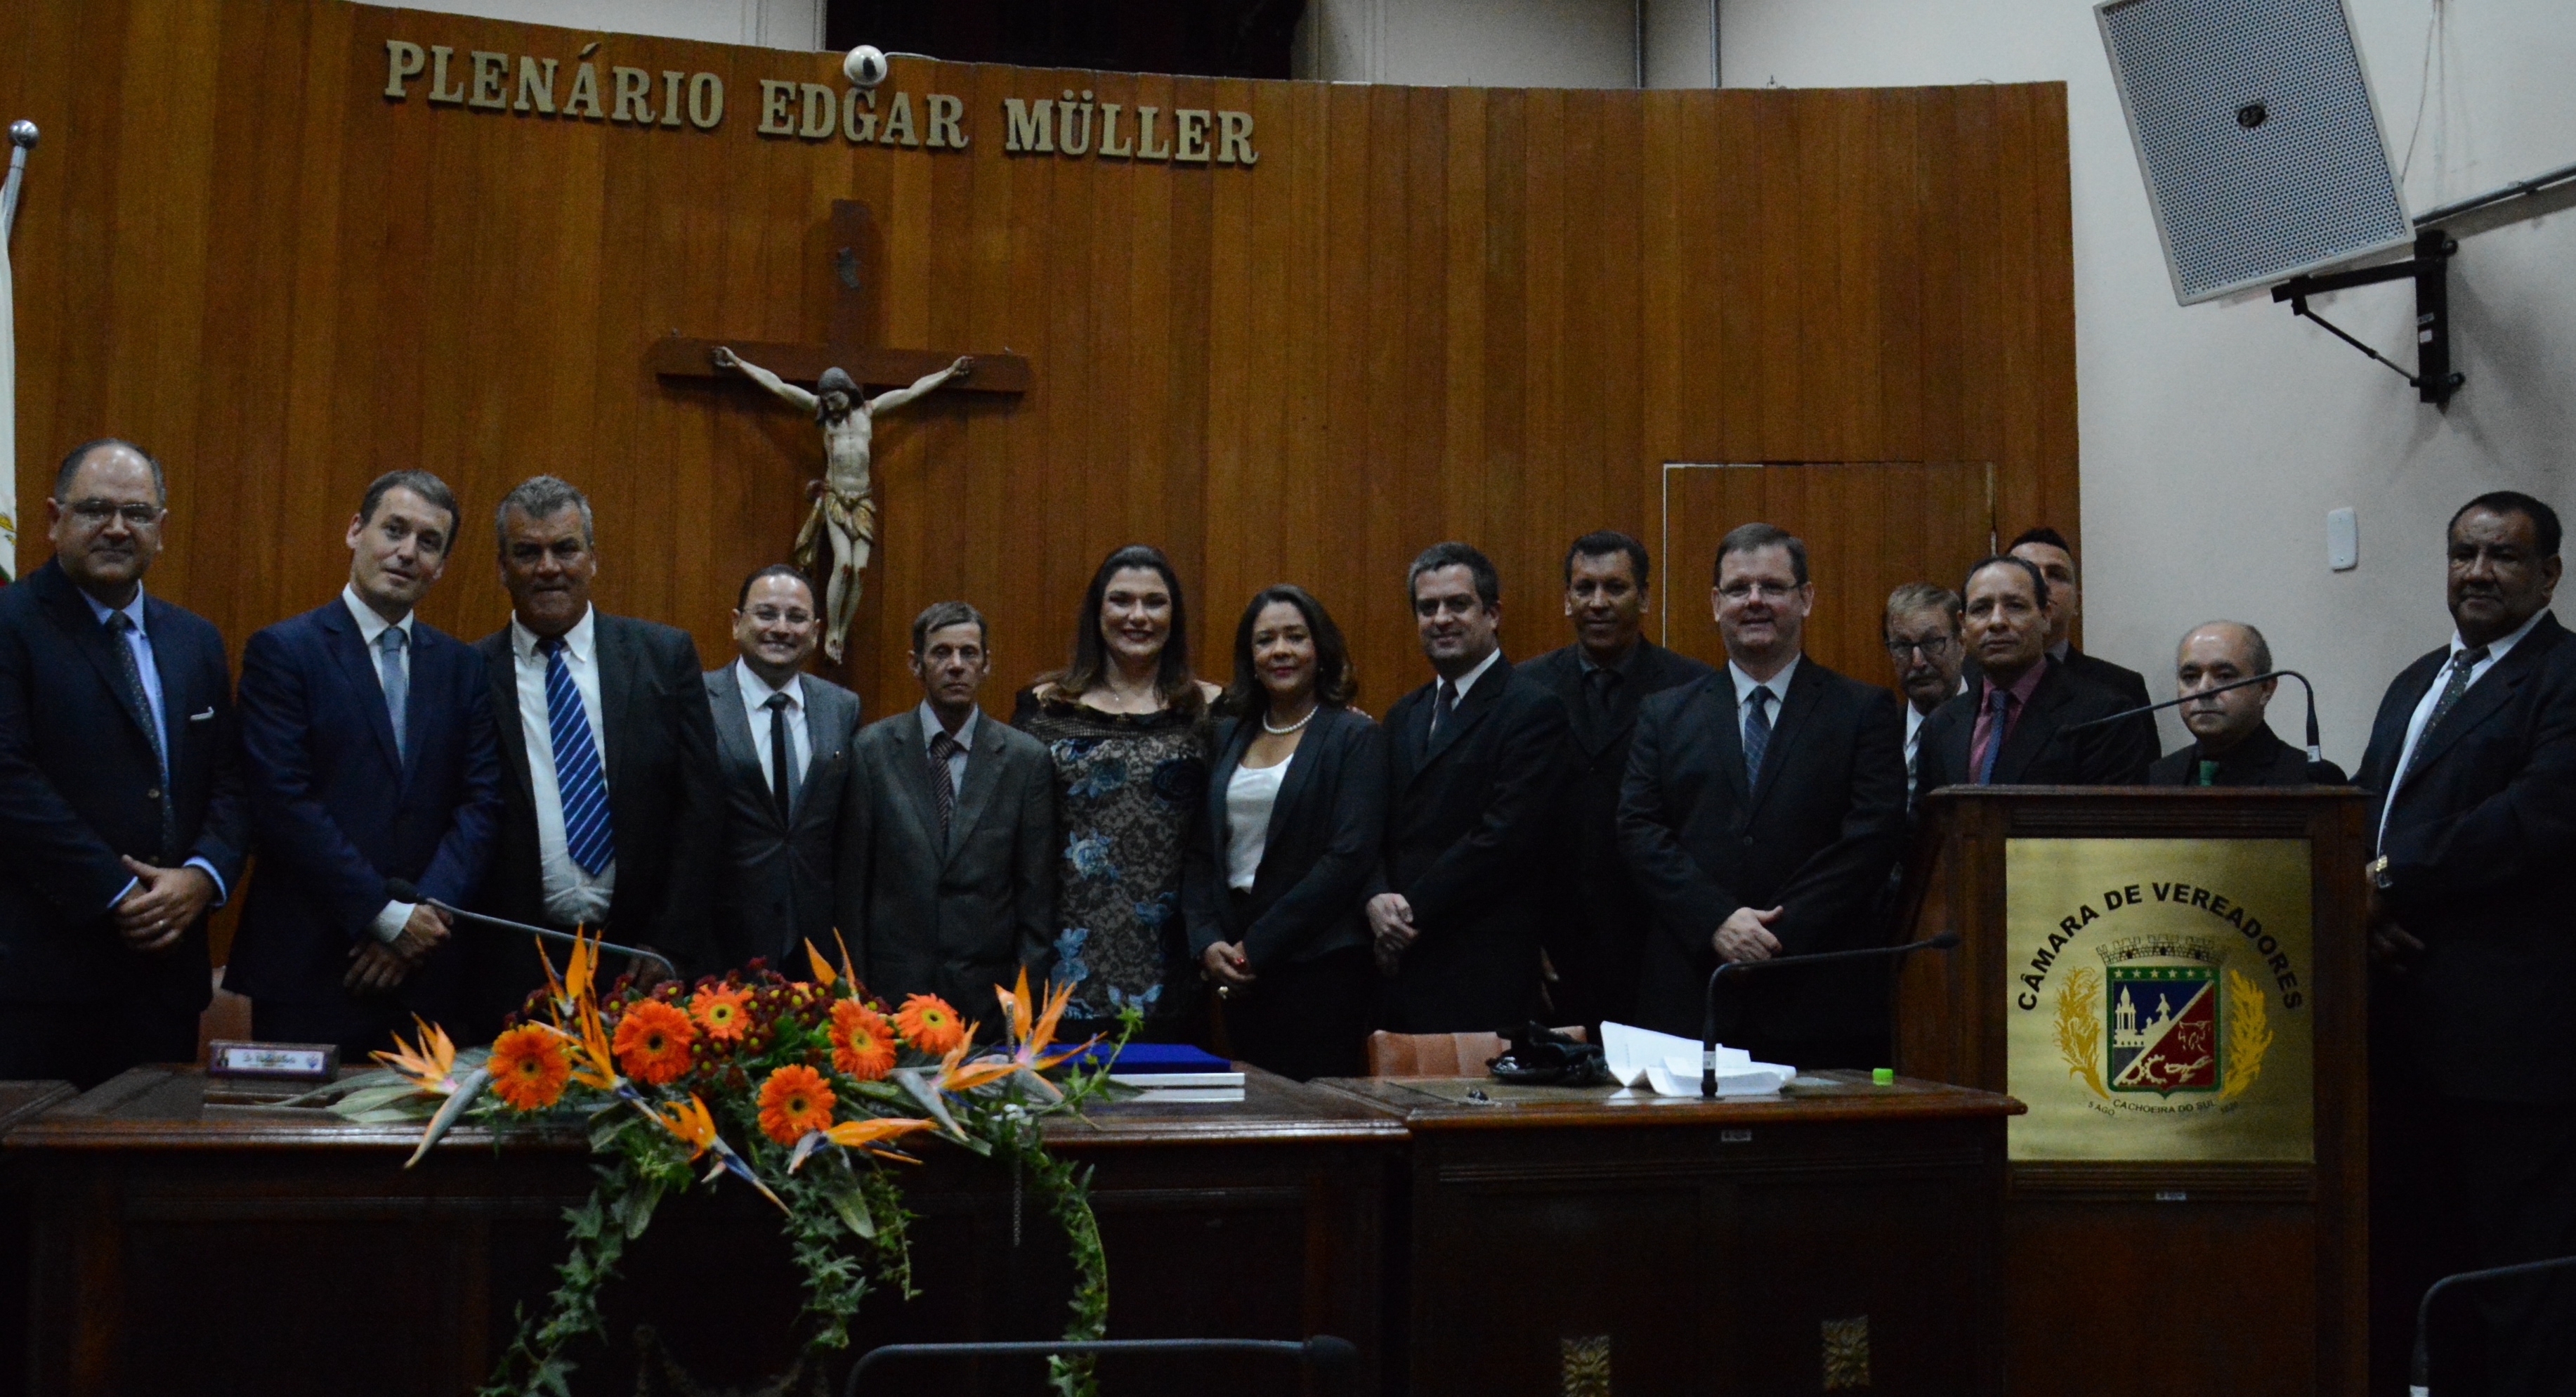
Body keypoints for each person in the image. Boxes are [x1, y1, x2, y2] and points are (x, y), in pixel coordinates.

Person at [2357, 491, 2576, 1395]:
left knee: (2517, 1268)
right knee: (2416, 1250)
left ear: (2549, 574)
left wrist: (2383, 880)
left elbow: (2535, 817)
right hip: (2398, 1020)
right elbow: (2370, 812)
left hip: (2510, 1037)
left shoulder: (2565, 673)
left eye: (2504, 557)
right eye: (2462, 554)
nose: (2478, 572)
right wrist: (2354, 889)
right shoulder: (2417, 679)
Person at [0, 439, 249, 1087]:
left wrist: (202, 876)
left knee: (149, 1180)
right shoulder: (11, 625)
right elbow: (8, 780)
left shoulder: (195, 640)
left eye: (136, 512)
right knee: (37, 1186)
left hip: (164, 979)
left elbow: (230, 779)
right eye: (95, 510)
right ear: (54, 520)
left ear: (161, 530)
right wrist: (118, 892)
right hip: (42, 979)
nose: (116, 528)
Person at [228, 471, 502, 1055]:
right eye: (394, 530)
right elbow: (282, 802)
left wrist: (421, 922)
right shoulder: (284, 651)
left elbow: (481, 805)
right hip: (312, 965)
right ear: (356, 531)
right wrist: (381, 915)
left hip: (430, 974)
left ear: (442, 565)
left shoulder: (462, 668)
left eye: (428, 543)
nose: (407, 552)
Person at [1617, 524, 1909, 1066]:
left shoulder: (1862, 710)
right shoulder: (1663, 714)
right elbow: (1639, 830)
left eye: (1772, 587)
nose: (1754, 601)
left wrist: (1775, 933)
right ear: (1714, 603)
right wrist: (1717, 922)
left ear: (1805, 599)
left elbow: (1872, 837)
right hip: (1690, 997)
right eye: (1738, 589)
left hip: (1817, 998)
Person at [469, 476, 721, 1025]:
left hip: (642, 961)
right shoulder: (466, 673)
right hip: (511, 967)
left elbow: (701, 812)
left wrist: (669, 945)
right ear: (501, 567)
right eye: (527, 552)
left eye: (565, 548)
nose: (548, 568)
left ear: (593, 558)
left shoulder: (663, 657)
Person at [1013, 545, 1219, 1037]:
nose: (1137, 616)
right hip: (1063, 959)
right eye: (1121, 601)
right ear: (1097, 612)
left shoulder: (1213, 710)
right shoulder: (1044, 707)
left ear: (1175, 615)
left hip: (1175, 961)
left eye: (1155, 602)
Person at [1183, 585, 1387, 1079]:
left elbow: (1347, 858)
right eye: (1265, 640)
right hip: (1236, 967)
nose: (1280, 650)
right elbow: (1198, 850)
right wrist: (1207, 940)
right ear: (1249, 658)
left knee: (1314, 1122)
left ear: (1320, 651)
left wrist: (1258, 945)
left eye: (1295, 637)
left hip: (1319, 967)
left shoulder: (1352, 736)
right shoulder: (1228, 733)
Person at [1367, 542, 1571, 1032]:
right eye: (1427, 607)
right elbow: (1372, 827)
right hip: (1396, 964)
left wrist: (1408, 915)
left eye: (1457, 604)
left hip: (1481, 963)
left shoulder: (1532, 709)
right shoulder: (1402, 715)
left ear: (1492, 613)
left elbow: (1504, 837)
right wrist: (1374, 899)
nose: (1440, 618)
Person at [1517, 531, 1712, 1032]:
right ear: (1566, 599)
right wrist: (1518, 937)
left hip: (1657, 943)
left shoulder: (1692, 689)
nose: (1598, 603)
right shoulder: (1524, 690)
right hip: (1552, 948)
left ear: (1644, 597)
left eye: (1615, 588)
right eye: (1584, 588)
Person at [842, 602, 1057, 1020]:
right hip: (892, 998)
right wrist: (858, 999)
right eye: (941, 653)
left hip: (987, 1002)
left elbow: (1037, 900)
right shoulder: (872, 751)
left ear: (986, 664)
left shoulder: (1025, 761)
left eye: (969, 653)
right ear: (915, 664)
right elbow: (854, 891)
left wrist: (1024, 1005)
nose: (956, 665)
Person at [704, 564, 863, 970]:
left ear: (815, 631)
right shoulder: (698, 700)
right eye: (767, 613)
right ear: (737, 623)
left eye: (796, 617)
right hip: (720, 935)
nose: (781, 628)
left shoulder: (842, 707)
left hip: (815, 939)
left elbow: (847, 831)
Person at [1914, 555, 2157, 797]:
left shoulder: (2104, 715)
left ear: (2045, 616)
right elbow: (1924, 827)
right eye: (1981, 609)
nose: (1997, 621)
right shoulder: (1941, 724)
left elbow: (2107, 828)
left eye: (2015, 606)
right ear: (1963, 626)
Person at [2146, 622, 2345, 786]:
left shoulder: (2311, 779)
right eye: (2190, 677)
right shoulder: (2157, 777)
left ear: (2265, 689)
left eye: (2224, 676)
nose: (2203, 690)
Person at [2003, 526, 2152, 708]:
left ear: (2077, 603)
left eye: (2056, 575)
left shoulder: (2121, 687)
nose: (2042, 584)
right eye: (2026, 573)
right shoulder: (1965, 680)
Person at [1883, 582, 1967, 797]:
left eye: (1931, 643)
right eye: (1902, 646)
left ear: (1962, 643)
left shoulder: (1988, 725)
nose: (1918, 661)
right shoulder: (1879, 732)